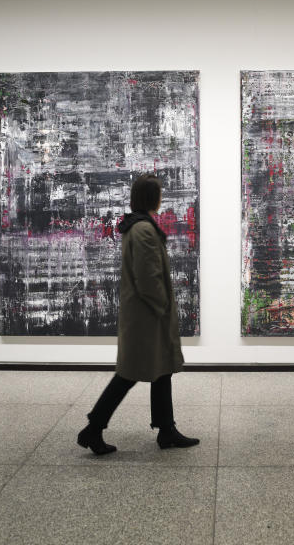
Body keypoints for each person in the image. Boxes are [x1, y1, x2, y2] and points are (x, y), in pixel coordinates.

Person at [77, 173, 200, 455]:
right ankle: (93, 428)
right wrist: (163, 306)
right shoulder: (143, 229)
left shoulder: (139, 226)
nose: (161, 198)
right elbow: (148, 277)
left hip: (145, 314)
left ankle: (166, 429)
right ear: (151, 197)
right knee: (129, 374)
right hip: (147, 316)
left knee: (161, 371)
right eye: (158, 193)